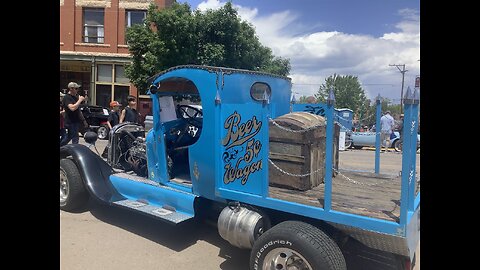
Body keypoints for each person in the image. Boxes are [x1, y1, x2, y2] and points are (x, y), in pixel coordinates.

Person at [60, 82, 87, 146]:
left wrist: (83, 120)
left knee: (69, 137)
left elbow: (78, 110)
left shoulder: (75, 97)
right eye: (76, 88)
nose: (77, 90)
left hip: (76, 121)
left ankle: (61, 148)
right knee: (75, 138)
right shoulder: (67, 97)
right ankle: (74, 153)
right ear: (71, 89)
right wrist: (80, 100)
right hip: (70, 121)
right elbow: (72, 108)